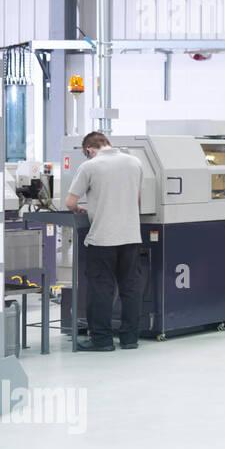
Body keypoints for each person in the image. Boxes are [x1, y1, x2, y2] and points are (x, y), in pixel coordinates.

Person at [65, 131, 145, 352]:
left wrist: (81, 208)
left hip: (102, 238)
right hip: (130, 236)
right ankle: (130, 339)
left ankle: (102, 340)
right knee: (130, 289)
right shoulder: (134, 162)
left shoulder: (90, 167)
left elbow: (70, 201)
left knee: (101, 290)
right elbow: (137, 198)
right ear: (109, 144)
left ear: (89, 150)